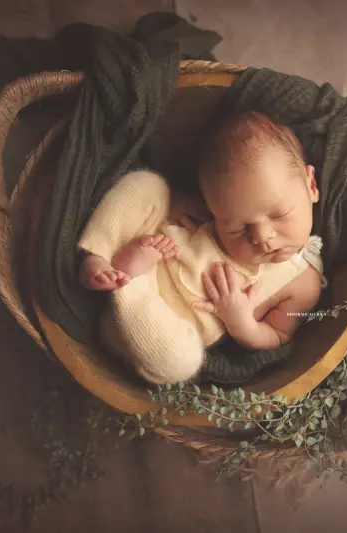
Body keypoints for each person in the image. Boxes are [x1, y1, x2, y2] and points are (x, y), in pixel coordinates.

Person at [77, 111, 325, 385]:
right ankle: (97, 254)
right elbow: (175, 211)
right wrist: (172, 204)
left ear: (311, 185)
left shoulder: (304, 281)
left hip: (160, 330)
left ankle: (131, 281)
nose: (262, 237)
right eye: (239, 228)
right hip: (145, 251)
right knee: (147, 185)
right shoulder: (219, 205)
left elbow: (278, 336)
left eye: (278, 215)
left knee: (183, 362)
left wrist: (241, 323)